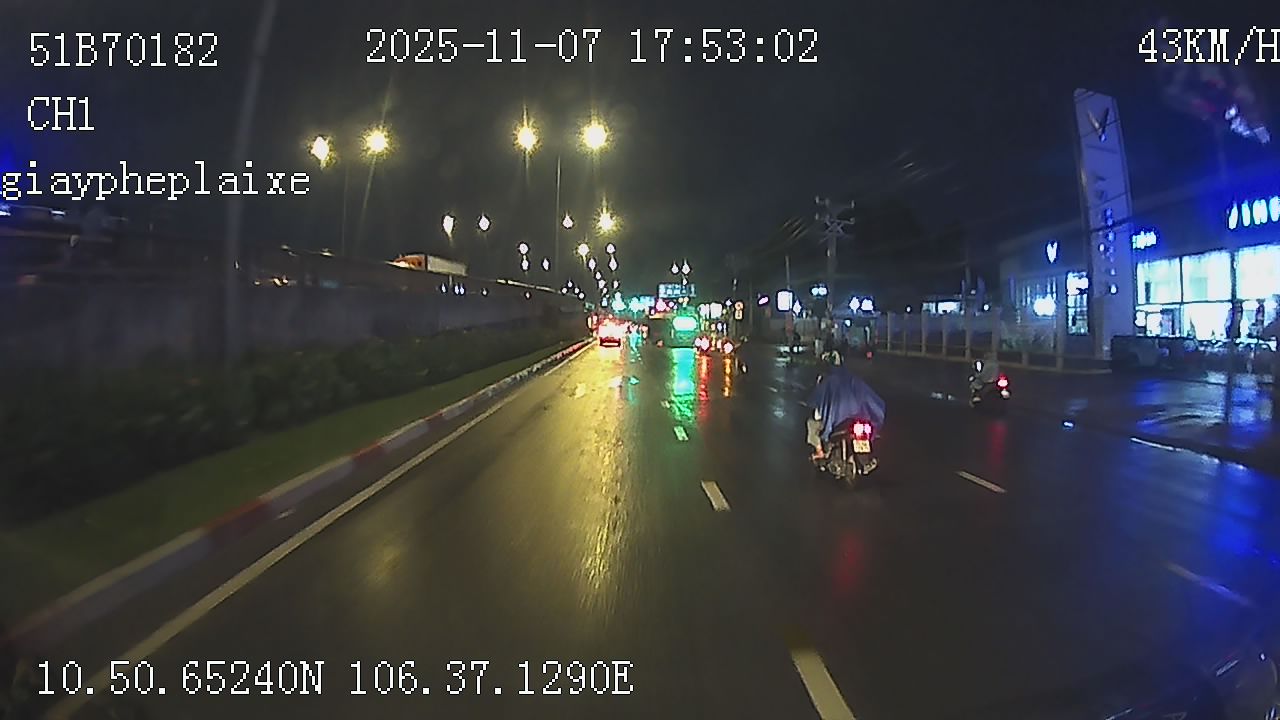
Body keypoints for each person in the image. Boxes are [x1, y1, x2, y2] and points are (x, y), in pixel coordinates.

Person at [807, 351, 886, 464]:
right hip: (858, 416)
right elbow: (868, 396)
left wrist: (813, 404)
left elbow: (818, 399)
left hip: (837, 419)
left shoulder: (827, 380)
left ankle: (820, 452)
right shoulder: (852, 378)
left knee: (811, 423)